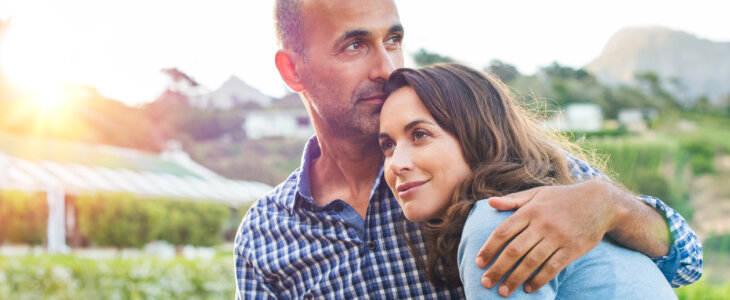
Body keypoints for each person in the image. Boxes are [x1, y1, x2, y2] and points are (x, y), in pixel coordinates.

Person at [235, 0, 702, 298]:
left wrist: (610, 206)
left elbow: (686, 262)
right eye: (355, 45)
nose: (386, 66)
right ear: (292, 71)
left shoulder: (479, 167)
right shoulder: (264, 235)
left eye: (393, 40)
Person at [378, 63, 678, 299]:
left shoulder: (498, 222)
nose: (397, 164)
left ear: (476, 137)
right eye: (388, 146)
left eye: (420, 135)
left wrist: (612, 203)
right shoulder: (543, 201)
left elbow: (689, 263)